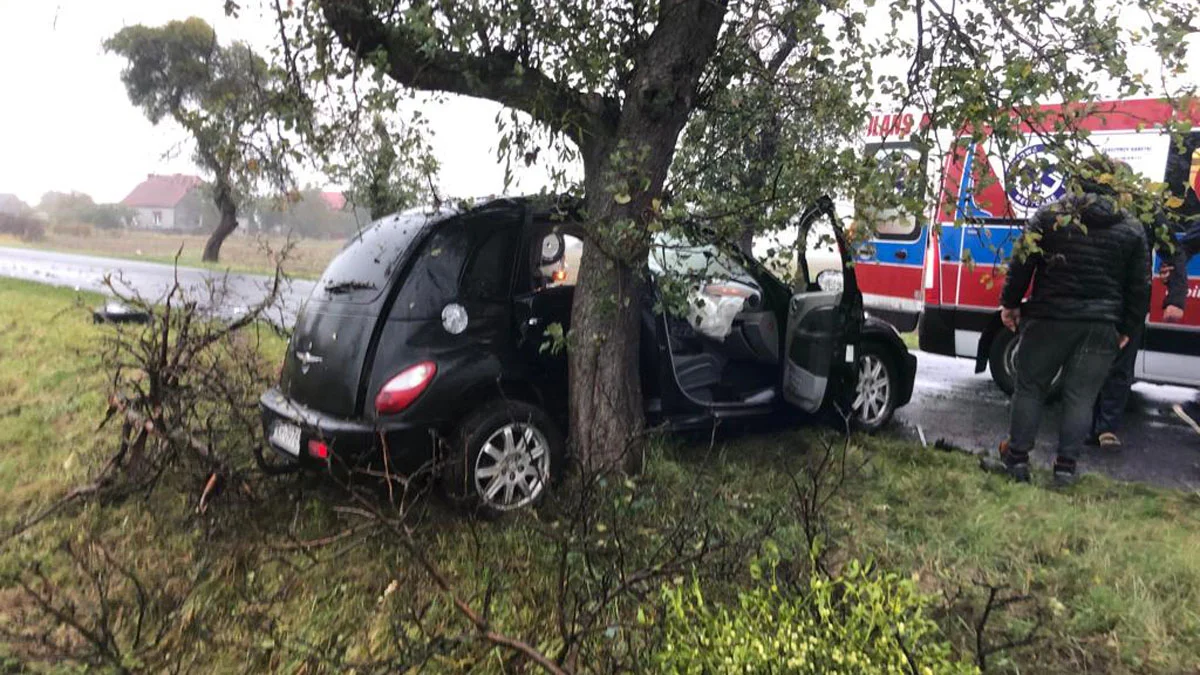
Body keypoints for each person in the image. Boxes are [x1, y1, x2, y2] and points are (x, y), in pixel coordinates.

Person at [991, 155, 1151, 487]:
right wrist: (1127, 328)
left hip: (1049, 318)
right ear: (1114, 184)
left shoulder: (1050, 216)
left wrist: (1009, 304)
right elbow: (1140, 286)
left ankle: (1016, 460)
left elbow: (1023, 261)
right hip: (1101, 325)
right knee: (1081, 398)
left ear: (1075, 180)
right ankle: (1065, 470)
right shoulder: (1131, 228)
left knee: (1031, 388)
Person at [1091, 205, 1189, 448]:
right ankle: (1092, 428)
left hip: (1126, 303)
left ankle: (1104, 428)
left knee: (1118, 367)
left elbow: (1173, 251)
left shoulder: (1143, 207)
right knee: (1092, 366)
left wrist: (1175, 297)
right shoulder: (1086, 204)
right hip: (1096, 299)